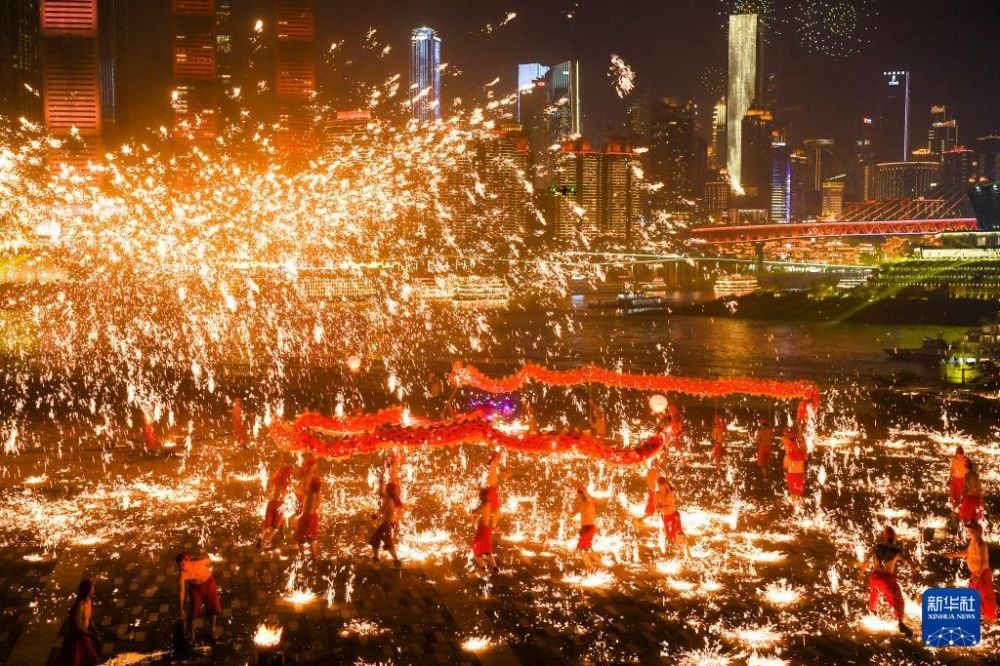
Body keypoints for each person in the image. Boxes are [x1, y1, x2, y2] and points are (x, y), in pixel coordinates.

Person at [858, 526, 914, 636]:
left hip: (874, 576)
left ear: (885, 536)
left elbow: (866, 560)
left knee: (874, 595)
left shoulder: (877, 546)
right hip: (887, 578)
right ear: (895, 537)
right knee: (897, 601)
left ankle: (872, 613)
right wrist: (914, 570)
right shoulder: (897, 550)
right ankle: (900, 623)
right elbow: (909, 562)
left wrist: (861, 573)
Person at [948, 522, 997, 624]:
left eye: (969, 531)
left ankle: (991, 617)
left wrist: (978, 575)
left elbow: (983, 561)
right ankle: (983, 615)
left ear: (975, 533)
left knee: (985, 595)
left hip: (982, 574)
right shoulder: (973, 541)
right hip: (976, 573)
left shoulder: (980, 545)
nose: (967, 532)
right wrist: (955, 555)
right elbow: (968, 552)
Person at [176, 552, 221, 642]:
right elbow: (181, 592)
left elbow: (210, 559)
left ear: (188, 561)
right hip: (195, 589)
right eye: (179, 566)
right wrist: (180, 609)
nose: (181, 568)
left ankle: (213, 629)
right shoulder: (182, 575)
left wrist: (202, 558)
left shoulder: (198, 562)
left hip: (209, 584)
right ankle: (192, 636)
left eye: (183, 564)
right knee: (193, 612)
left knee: (213, 608)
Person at [59, 579, 102, 666]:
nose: (94, 589)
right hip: (76, 641)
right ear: (88, 590)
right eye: (93, 587)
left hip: (84, 638)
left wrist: (97, 632)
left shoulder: (89, 602)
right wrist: (93, 635)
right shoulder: (79, 606)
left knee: (94, 661)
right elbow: (78, 628)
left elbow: (89, 620)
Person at [257, 463, 295, 549]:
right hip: (280, 505)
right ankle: (266, 542)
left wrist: (283, 468)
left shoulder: (277, 481)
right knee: (275, 527)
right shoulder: (287, 483)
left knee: (267, 525)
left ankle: (260, 537)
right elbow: (287, 494)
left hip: (272, 503)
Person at [654, 476, 689, 559]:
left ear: (665, 485)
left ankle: (684, 551)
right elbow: (656, 508)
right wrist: (662, 508)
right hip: (666, 517)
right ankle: (682, 550)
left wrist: (668, 490)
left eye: (661, 485)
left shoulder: (670, 492)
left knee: (679, 533)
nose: (660, 487)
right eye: (658, 486)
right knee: (671, 535)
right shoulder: (657, 494)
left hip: (674, 515)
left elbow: (671, 502)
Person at [368, 482, 402, 566]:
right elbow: (381, 493)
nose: (385, 490)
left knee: (388, 544)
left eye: (386, 488)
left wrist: (374, 517)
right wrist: (381, 482)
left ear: (388, 490)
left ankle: (396, 562)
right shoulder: (390, 498)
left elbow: (382, 511)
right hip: (387, 525)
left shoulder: (389, 500)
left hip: (386, 525)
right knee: (375, 540)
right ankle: (376, 559)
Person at [572, 484, 600, 573]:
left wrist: (574, 482)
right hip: (584, 529)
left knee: (581, 550)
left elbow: (584, 489)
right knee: (588, 549)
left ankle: (590, 568)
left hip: (589, 528)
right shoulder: (581, 504)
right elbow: (573, 514)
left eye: (578, 494)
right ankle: (601, 565)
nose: (577, 496)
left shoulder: (589, 501)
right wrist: (568, 513)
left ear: (582, 494)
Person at [470, 487, 498, 575]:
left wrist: (473, 514)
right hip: (486, 529)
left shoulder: (483, 506)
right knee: (487, 552)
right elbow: (495, 513)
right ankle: (495, 568)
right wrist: (493, 526)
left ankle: (482, 567)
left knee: (475, 552)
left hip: (482, 530)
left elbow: (474, 512)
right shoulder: (489, 505)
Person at [295, 476, 322, 559]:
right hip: (314, 517)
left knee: (300, 538)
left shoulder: (308, 492)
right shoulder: (319, 495)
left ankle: (302, 555)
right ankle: (313, 555)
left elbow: (299, 492)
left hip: (306, 517)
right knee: (311, 538)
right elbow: (317, 506)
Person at [484, 450, 510, 530]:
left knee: (495, 511)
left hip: (491, 492)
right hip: (491, 493)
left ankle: (492, 527)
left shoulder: (491, 473)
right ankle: (492, 527)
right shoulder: (492, 471)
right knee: (495, 511)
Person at [783, 430, 807, 510]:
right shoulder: (802, 454)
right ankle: (799, 507)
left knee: (793, 492)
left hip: (791, 474)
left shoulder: (787, 456)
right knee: (799, 492)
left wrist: (786, 478)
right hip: (800, 474)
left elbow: (785, 468)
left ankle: (794, 508)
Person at [948, 446, 970, 511]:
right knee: (953, 496)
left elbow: (969, 471)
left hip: (963, 480)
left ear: (963, 454)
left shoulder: (966, 460)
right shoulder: (954, 459)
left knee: (961, 496)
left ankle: (961, 510)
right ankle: (954, 510)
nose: (959, 456)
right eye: (958, 454)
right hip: (955, 479)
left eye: (961, 455)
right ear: (956, 454)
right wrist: (949, 478)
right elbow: (952, 469)